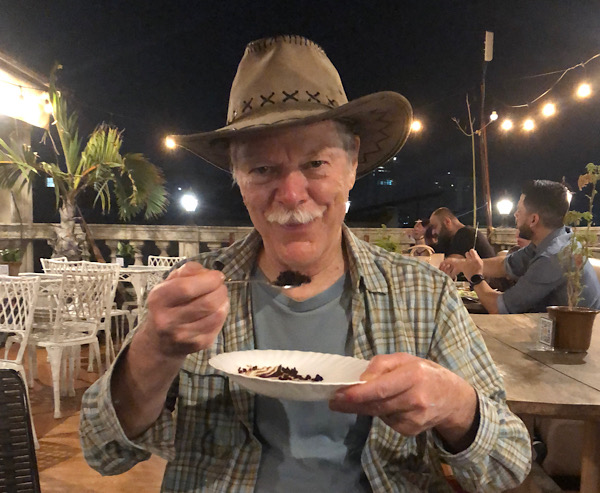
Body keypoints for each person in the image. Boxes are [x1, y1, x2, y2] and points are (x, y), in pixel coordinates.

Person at [79, 35, 531, 492]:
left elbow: (511, 463)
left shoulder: (423, 295)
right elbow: (102, 451)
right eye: (262, 169)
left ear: (352, 164)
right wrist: (153, 352)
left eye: (315, 163)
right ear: (236, 177)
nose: (293, 194)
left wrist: (456, 405)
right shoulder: (191, 294)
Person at [441, 180, 600, 314]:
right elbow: (504, 265)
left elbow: (500, 308)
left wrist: (475, 278)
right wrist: (461, 265)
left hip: (576, 343)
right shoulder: (553, 240)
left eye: (519, 210)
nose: (515, 214)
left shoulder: (553, 257)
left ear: (533, 220)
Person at [429, 207, 495, 258]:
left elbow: (450, 265)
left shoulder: (466, 234)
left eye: (435, 227)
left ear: (447, 222)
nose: (433, 232)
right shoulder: (451, 239)